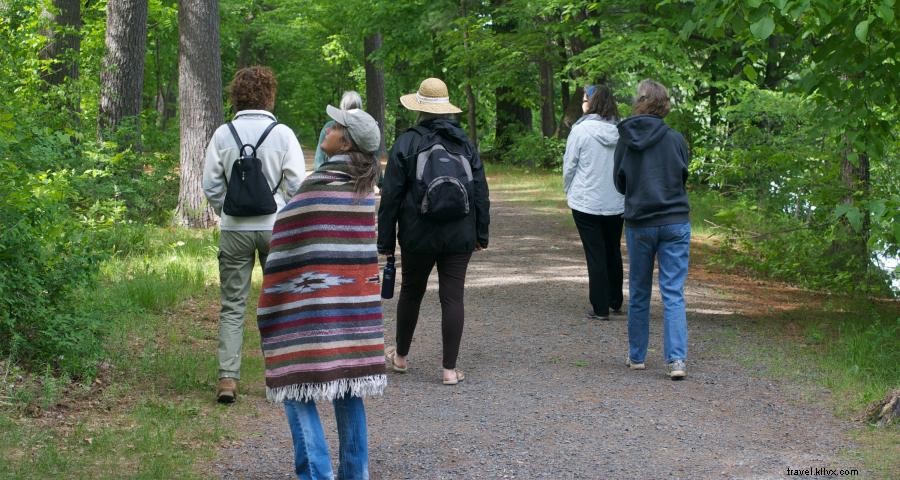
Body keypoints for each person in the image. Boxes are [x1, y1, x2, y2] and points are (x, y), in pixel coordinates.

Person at [257, 105, 386, 479]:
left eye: (335, 126)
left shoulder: (316, 188)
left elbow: (285, 240)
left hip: (309, 307)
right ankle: (355, 474)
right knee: (349, 385)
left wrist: (277, 295)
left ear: (345, 142)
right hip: (352, 309)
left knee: (293, 381)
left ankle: (316, 474)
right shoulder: (363, 189)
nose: (327, 128)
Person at [377, 77, 490, 385]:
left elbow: (391, 197)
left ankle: (401, 357)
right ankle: (449, 370)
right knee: (452, 297)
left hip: (418, 234)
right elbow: (480, 191)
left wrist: (385, 242)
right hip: (460, 233)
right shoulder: (464, 143)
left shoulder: (406, 143)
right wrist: (481, 234)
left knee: (411, 292)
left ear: (419, 109)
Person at [203, 66, 306, 403]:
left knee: (233, 305)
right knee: (278, 303)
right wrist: (283, 209)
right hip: (275, 227)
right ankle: (278, 379)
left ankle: (227, 379)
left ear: (236, 96)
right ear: (269, 95)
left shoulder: (223, 134)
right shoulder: (283, 134)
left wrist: (227, 209)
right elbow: (297, 184)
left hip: (234, 229)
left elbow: (210, 184)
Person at [613, 79, 691, 380]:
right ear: (664, 104)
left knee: (639, 289)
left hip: (640, 221)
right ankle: (676, 360)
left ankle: (637, 356)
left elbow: (619, 182)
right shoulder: (675, 139)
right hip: (675, 220)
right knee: (673, 292)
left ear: (640, 101)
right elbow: (682, 176)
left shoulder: (626, 138)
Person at [563, 84, 625, 321]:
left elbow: (570, 165)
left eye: (584, 98)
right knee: (612, 249)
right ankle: (615, 300)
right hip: (616, 200)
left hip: (586, 201)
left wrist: (568, 189)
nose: (582, 102)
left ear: (592, 102)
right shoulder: (621, 131)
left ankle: (600, 307)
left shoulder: (580, 131)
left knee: (595, 253)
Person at [313, 91, 363, 171]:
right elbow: (318, 160)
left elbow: (319, 160)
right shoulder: (329, 125)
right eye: (348, 107)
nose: (327, 130)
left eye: (353, 107)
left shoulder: (365, 132)